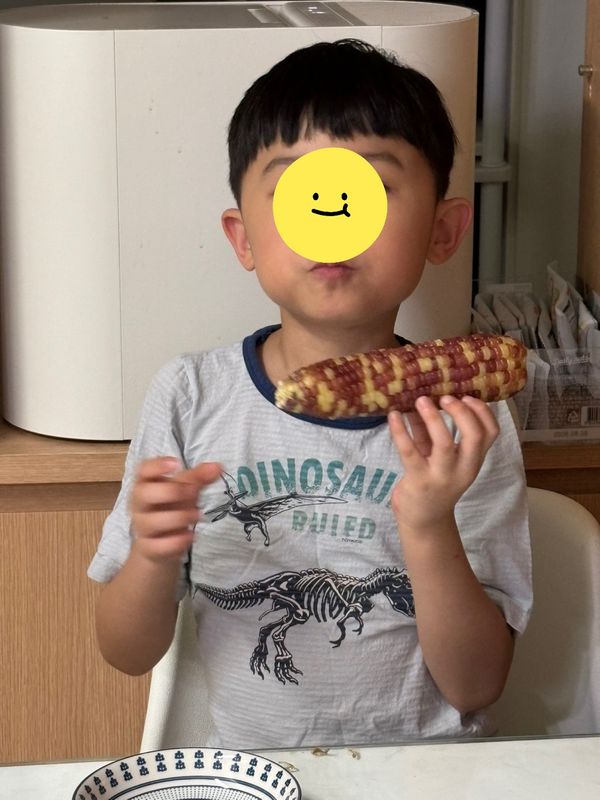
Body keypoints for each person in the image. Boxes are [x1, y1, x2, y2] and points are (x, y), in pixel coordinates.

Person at [88, 39, 532, 748]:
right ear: (244, 239)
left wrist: (427, 524)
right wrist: (151, 554)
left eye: (369, 189)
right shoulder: (191, 398)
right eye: (300, 192)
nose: (331, 216)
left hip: (428, 775)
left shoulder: (469, 422)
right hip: (252, 776)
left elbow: (477, 684)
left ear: (443, 230)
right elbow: (125, 653)